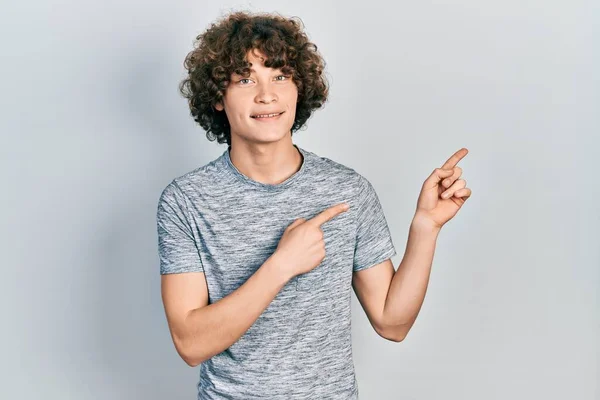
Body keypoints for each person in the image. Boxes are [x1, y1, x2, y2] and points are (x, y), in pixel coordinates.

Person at [156, 10, 471, 400]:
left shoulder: (347, 190)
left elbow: (393, 323)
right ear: (218, 97)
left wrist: (426, 227)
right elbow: (190, 343)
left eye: (280, 76)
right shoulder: (186, 200)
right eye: (245, 79)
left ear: (299, 89)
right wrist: (281, 265)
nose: (266, 94)